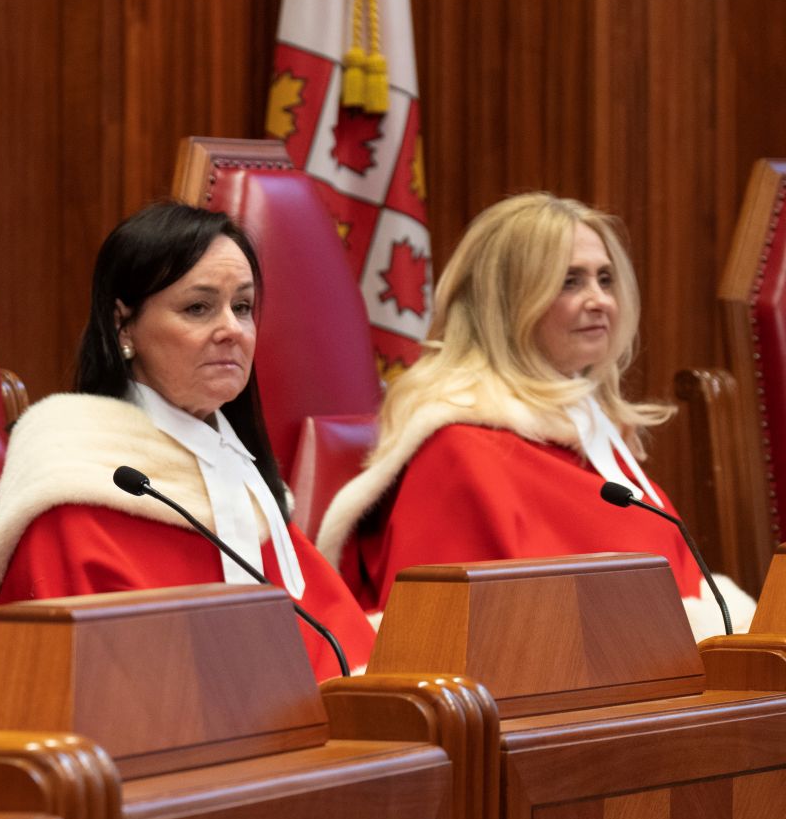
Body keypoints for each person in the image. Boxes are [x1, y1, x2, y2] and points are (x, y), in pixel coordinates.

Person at [315, 192, 753, 637]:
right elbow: (446, 641)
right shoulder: (459, 451)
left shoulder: (590, 433)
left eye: (605, 279)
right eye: (569, 281)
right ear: (503, 303)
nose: (599, 299)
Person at [0, 202, 373, 681]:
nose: (231, 330)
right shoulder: (76, 486)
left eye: (242, 307)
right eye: (198, 308)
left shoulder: (241, 478)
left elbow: (344, 654)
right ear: (123, 326)